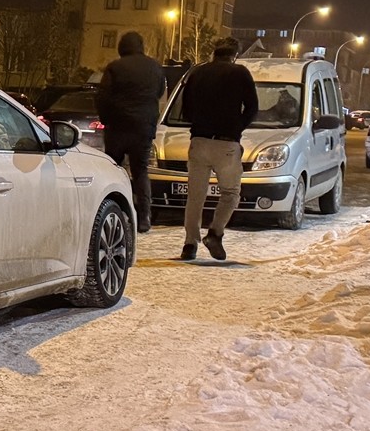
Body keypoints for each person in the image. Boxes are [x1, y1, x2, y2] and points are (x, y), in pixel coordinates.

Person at [177, 37, 259, 261]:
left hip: (199, 141)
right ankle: (215, 233)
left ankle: (189, 245)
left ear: (214, 53)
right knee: (231, 193)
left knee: (195, 196)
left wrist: (201, 124)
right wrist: (236, 128)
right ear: (235, 55)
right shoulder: (240, 73)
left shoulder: (197, 73)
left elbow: (186, 109)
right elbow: (253, 107)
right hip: (226, 143)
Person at [95, 31, 166, 233]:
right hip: (143, 128)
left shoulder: (115, 68)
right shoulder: (154, 67)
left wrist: (106, 119)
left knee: (112, 169)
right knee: (140, 171)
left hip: (118, 127)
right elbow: (159, 92)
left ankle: (113, 209)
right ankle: (144, 216)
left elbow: (103, 97)